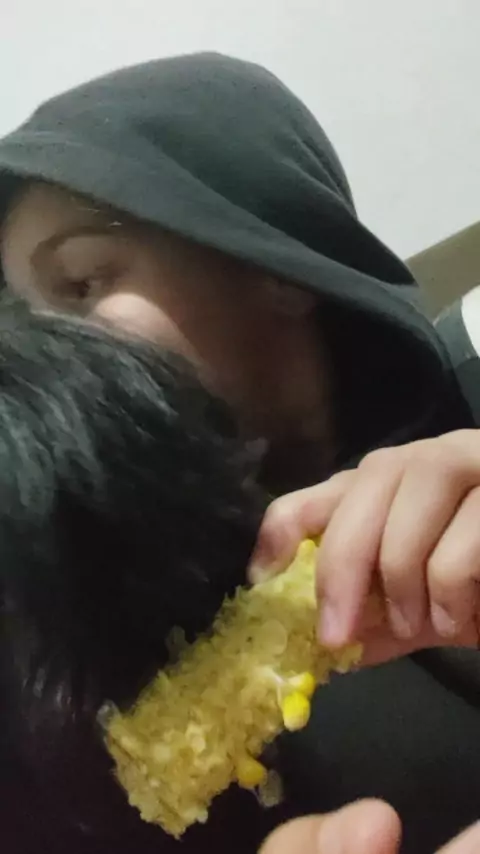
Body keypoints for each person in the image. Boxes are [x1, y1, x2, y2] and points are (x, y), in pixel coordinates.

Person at [1, 53, 480, 853]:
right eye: (26, 322)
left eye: (80, 285)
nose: (58, 358)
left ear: (273, 263)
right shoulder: (91, 640)